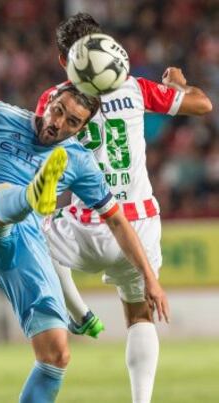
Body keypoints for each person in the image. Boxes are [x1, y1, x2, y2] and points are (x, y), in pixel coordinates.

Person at [0, 84, 169, 403]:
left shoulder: (79, 160)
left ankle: (32, 198)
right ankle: (31, 194)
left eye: (72, 122)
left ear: (82, 129)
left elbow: (117, 221)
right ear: (48, 101)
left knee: (56, 353)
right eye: (58, 110)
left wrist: (150, 279)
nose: (58, 123)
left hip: (25, 245)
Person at [35, 13, 213, 403]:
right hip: (140, 223)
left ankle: (77, 312)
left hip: (87, 224)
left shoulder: (54, 100)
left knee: (31, 229)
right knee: (138, 316)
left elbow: (38, 154)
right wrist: (179, 86)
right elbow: (203, 105)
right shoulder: (134, 88)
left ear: (64, 60)